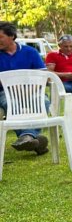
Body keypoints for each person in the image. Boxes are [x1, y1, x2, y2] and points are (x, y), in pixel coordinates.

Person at [0, 21, 49, 155]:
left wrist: (28, 91)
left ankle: (28, 137)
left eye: (0, 37)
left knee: (43, 101)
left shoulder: (30, 52)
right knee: (10, 103)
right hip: (5, 93)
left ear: (11, 36)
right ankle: (33, 139)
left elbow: (43, 75)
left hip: (31, 90)